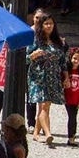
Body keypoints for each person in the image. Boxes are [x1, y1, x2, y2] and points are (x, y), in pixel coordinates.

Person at [27, 14, 66, 147]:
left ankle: (36, 134)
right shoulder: (36, 40)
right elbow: (26, 57)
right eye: (46, 24)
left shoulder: (58, 42)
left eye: (51, 23)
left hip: (53, 77)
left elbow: (62, 61)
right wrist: (34, 55)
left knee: (45, 107)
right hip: (38, 77)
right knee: (43, 105)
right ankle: (48, 133)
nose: (49, 26)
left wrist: (66, 77)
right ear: (41, 26)